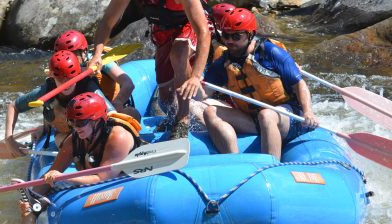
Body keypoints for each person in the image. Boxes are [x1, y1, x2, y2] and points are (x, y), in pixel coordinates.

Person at [202, 8, 319, 160]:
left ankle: (270, 168)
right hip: (253, 119)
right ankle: (234, 160)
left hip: (288, 117)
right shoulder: (223, 62)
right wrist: (190, 85)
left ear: (250, 34)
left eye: (236, 36)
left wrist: (308, 111)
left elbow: (299, 85)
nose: (229, 41)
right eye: (226, 35)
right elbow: (204, 94)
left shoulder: (270, 53)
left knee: (267, 115)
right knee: (210, 112)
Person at [89, 0, 212, 139]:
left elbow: (203, 32)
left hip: (193, 25)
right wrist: (97, 55)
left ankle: (183, 121)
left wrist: (195, 76)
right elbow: (107, 22)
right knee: (166, 99)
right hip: (163, 29)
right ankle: (173, 118)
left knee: (178, 53)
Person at [4, 50, 114, 158]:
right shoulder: (46, 90)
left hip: (90, 131)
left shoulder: (88, 87)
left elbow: (112, 115)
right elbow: (14, 106)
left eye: (70, 78)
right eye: (60, 79)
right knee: (60, 136)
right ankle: (45, 128)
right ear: (52, 76)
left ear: (78, 74)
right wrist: (9, 140)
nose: (66, 84)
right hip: (66, 133)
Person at [41, 92, 143, 187]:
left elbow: (103, 178)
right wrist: (30, 199)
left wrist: (64, 178)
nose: (76, 127)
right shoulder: (73, 140)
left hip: (123, 183)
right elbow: (51, 173)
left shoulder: (119, 137)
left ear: (97, 121)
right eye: (71, 121)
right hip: (97, 183)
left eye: (81, 122)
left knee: (131, 112)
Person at [54, 29, 141, 121]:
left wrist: (118, 102)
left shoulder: (100, 62)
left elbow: (128, 84)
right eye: (61, 55)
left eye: (72, 55)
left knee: (131, 113)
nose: (67, 60)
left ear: (84, 53)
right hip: (85, 112)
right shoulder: (59, 69)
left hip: (113, 105)